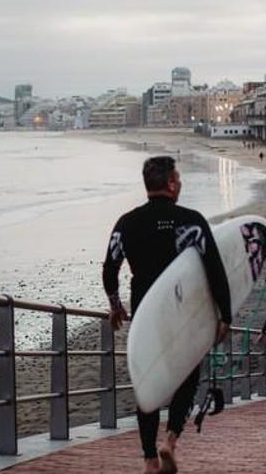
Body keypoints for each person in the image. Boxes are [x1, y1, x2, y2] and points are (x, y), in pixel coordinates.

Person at [103, 156, 232, 474]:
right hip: (183, 313)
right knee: (187, 376)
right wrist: (224, 315)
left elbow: (110, 267)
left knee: (147, 387)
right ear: (171, 183)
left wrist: (115, 304)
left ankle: (149, 459)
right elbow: (215, 271)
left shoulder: (127, 222)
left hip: (145, 316)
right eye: (179, 178)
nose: (181, 183)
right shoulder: (192, 220)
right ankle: (170, 441)